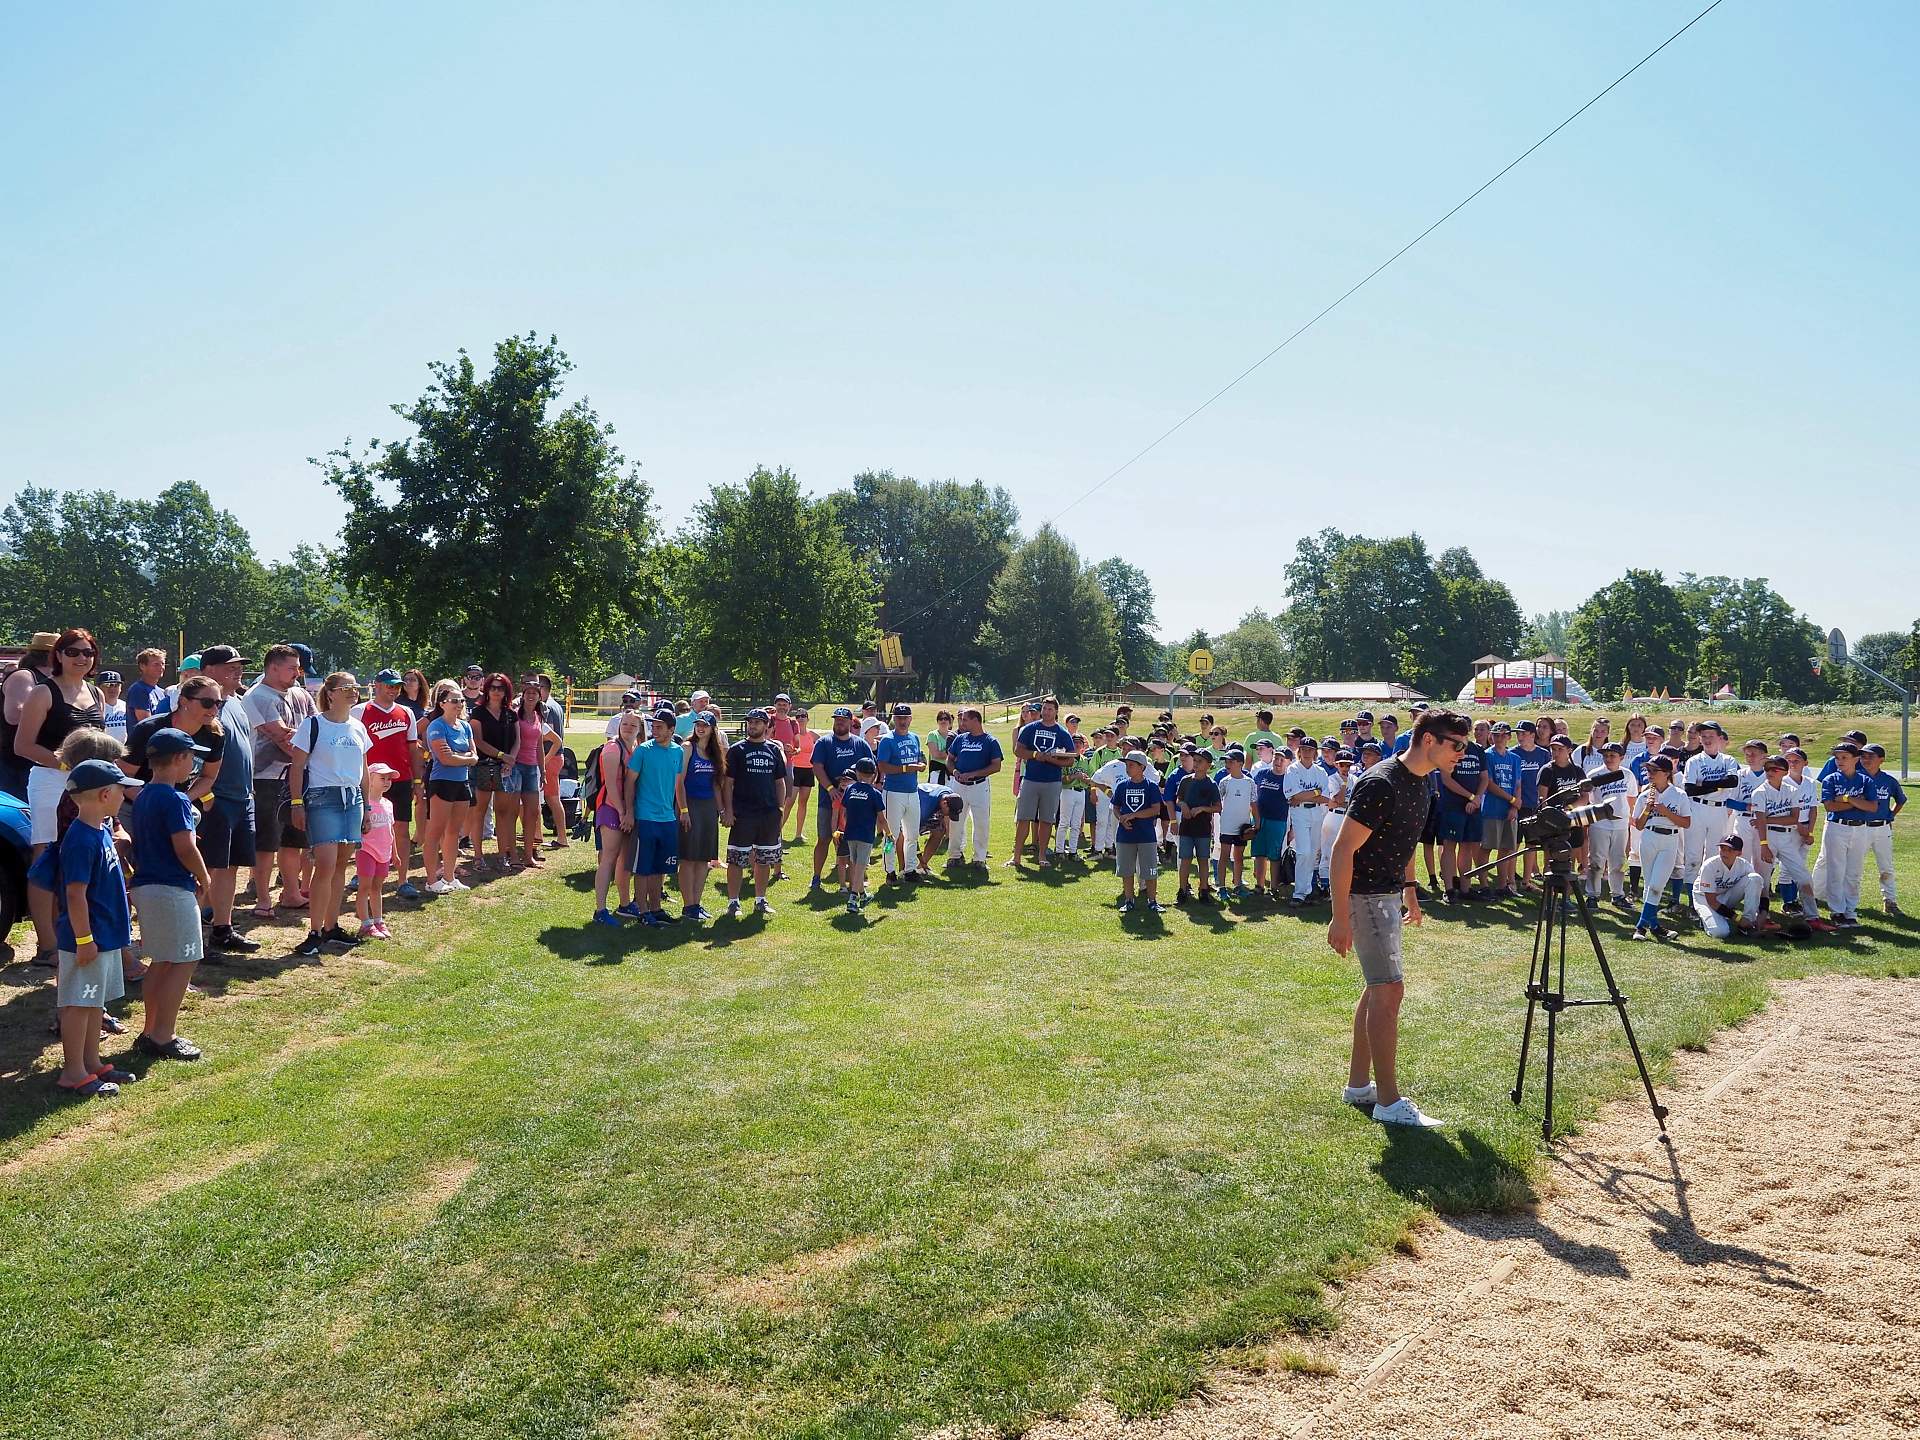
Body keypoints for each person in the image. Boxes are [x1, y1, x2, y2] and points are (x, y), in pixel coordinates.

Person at [1327, 708, 1466, 1127]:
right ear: (1429, 740)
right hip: (1366, 897)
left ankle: (1359, 1086)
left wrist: (1410, 891)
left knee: (1377, 990)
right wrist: (1339, 917)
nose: (1461, 754)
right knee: (1389, 992)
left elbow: (1403, 842)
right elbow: (1342, 850)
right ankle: (1389, 1102)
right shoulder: (1382, 783)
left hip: (1387, 896)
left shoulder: (1423, 783)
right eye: (1456, 745)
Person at [39, 759, 142, 1096]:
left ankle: (91, 1063)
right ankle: (73, 1072)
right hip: (86, 940)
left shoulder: (100, 831)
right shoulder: (81, 839)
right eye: (121, 790)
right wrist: (84, 939)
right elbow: (74, 894)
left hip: (103, 937)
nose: (124, 796)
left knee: (94, 1003)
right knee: (78, 1004)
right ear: (104, 794)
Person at [13, 628, 104, 964]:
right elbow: (23, 745)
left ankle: (76, 934)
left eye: (88, 652)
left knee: (85, 855)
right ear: (59, 655)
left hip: (89, 784)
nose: (81, 658)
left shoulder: (96, 693)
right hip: (50, 781)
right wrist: (66, 763)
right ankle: (47, 945)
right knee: (46, 858)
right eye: (73, 651)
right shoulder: (43, 692)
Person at [127, 728, 212, 1060]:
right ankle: (164, 1035)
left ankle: (150, 1031)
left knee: (161, 961)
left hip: (146, 886)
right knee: (185, 959)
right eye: (192, 757)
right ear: (179, 758)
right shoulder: (176, 799)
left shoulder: (143, 796)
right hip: (171, 888)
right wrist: (204, 876)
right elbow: (185, 846)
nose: (194, 764)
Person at [287, 671, 371, 958]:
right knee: (324, 864)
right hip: (322, 798)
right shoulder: (313, 724)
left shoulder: (358, 727)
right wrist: (296, 803)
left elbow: (364, 771)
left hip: (352, 798)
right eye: (346, 687)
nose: (353, 691)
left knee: (340, 866)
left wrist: (367, 807)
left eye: (355, 687)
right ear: (331, 693)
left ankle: (331, 926)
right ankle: (314, 931)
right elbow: (297, 767)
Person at [193, 645, 260, 955]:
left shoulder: (235, 702)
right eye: (230, 666)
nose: (238, 671)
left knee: (230, 866)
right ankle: (192, 938)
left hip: (241, 797)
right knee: (206, 869)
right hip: (214, 798)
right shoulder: (202, 706)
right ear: (209, 670)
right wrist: (204, 794)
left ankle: (222, 928)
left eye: (239, 666)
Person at [244, 644, 315, 917]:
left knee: (294, 839)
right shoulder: (257, 696)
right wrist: (304, 740)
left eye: (298, 667)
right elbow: (281, 737)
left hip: (298, 775)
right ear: (273, 668)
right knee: (267, 841)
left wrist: (301, 739)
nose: (298, 673)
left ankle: (291, 894)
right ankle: (263, 899)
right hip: (266, 777)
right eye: (292, 668)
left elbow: (315, 728)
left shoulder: (300, 694)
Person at [351, 669, 421, 900]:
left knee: (400, 828)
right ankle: (361, 873)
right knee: (365, 828)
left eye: (397, 686)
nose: (393, 690)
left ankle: (403, 879)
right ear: (378, 685)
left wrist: (417, 780)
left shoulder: (406, 712)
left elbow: (413, 748)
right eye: (389, 685)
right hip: (369, 781)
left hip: (399, 779)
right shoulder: (360, 711)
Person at [722, 707, 787, 918]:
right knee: (736, 859)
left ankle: (760, 900)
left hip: (768, 814)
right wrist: (728, 811)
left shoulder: (774, 750)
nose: (752, 725)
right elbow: (727, 783)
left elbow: (780, 782)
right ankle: (733, 902)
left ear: (767, 725)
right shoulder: (737, 750)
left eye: (757, 722)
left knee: (764, 858)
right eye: (750, 722)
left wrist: (780, 809)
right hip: (743, 814)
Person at [1750, 753, 1823, 933]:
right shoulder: (1759, 792)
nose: (1769, 772)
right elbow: (1761, 822)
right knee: (1762, 880)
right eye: (1767, 768)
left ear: (1784, 771)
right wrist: (1764, 845)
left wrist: (1765, 820)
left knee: (1804, 877)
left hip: (1787, 838)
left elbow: (1793, 819)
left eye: (1774, 769)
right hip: (1766, 838)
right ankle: (1761, 916)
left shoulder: (1791, 790)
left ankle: (1812, 917)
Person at [628, 707, 687, 926]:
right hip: (645, 817)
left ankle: (656, 908)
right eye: (653, 726)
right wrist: (629, 811)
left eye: (659, 727)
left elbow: (678, 784)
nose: (654, 730)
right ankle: (643, 911)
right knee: (643, 868)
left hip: (668, 819)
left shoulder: (678, 751)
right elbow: (629, 782)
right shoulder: (643, 750)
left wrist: (684, 811)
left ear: (671, 730)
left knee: (661, 867)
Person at [1627, 755, 1693, 939]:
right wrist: (1647, 808)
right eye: (1648, 770)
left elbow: (1686, 823)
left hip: (1669, 840)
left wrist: (1666, 811)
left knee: (1657, 885)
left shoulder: (1679, 794)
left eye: (1654, 770)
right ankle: (1655, 926)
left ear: (1666, 773)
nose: (1649, 774)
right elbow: (1639, 825)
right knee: (1650, 885)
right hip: (1649, 838)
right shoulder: (1644, 794)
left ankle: (1641, 926)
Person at [808, 708, 875, 887]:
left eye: (843, 720)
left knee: (855, 841)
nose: (839, 722)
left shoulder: (860, 744)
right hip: (828, 801)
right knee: (824, 838)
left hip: (856, 806)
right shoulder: (824, 742)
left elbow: (872, 769)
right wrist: (830, 788)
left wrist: (866, 790)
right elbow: (817, 767)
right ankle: (816, 877)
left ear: (850, 722)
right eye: (837, 719)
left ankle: (857, 878)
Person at [422, 680, 477, 895]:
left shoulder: (465, 726)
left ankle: (449, 877)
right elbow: (445, 759)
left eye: (461, 700)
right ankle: (431, 880)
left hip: (462, 783)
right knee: (435, 832)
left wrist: (461, 757)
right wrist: (465, 758)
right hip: (441, 783)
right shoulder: (436, 726)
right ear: (442, 703)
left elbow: (475, 756)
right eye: (454, 700)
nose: (459, 704)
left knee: (454, 832)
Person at [589, 711, 641, 926]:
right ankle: (600, 910)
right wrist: (622, 812)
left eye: (633, 725)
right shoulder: (612, 748)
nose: (628, 728)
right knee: (608, 858)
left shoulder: (636, 747)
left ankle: (624, 903)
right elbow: (610, 785)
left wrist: (629, 812)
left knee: (625, 859)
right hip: (611, 807)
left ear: (639, 728)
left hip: (628, 810)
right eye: (625, 723)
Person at [1010, 697, 1074, 868]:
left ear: (1056, 711)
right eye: (1044, 709)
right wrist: (1034, 755)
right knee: (1023, 818)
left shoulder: (1062, 733)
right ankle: (1016, 857)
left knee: (1046, 821)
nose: (1046, 712)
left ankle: (1042, 856)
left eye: (1050, 709)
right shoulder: (1030, 728)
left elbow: (1071, 759)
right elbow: (1018, 750)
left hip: (1052, 782)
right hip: (1030, 780)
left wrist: (1052, 760)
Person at [1680, 721, 1741, 898]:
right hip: (1698, 808)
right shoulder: (1694, 761)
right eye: (1703, 736)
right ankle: (1692, 898)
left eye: (1711, 736)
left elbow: (1733, 781)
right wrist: (1719, 785)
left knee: (1714, 854)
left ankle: (1708, 894)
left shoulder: (1728, 760)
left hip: (1719, 810)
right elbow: (1690, 790)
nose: (1707, 739)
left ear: (1720, 738)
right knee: (1693, 855)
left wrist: (1705, 784)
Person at [1818, 741, 1875, 928]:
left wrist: (1846, 798)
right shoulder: (1831, 779)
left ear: (1856, 759)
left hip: (1860, 829)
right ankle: (1837, 911)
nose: (1839, 761)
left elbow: (1872, 807)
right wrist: (1858, 802)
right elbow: (1830, 806)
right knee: (1836, 871)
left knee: (1854, 872)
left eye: (1844, 757)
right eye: (1837, 757)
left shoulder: (1865, 780)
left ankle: (1850, 911)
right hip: (1837, 827)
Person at [676, 710, 724, 920]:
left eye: (705, 725)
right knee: (688, 858)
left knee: (703, 858)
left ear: (713, 728)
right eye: (698, 724)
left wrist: (721, 810)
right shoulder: (688, 748)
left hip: (708, 809)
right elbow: (679, 782)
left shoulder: (715, 753)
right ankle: (688, 905)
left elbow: (716, 785)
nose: (701, 728)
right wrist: (683, 810)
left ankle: (696, 903)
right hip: (690, 805)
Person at [467, 674, 517, 869]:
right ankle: (478, 856)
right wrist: (502, 755)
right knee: (479, 811)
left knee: (503, 812)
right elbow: (478, 741)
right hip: (484, 766)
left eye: (501, 688)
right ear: (486, 689)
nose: (496, 691)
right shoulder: (478, 713)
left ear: (506, 691)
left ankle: (502, 855)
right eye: (493, 687)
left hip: (505, 768)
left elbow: (517, 740)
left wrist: (510, 760)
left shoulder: (510, 713)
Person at [504, 678, 554, 868]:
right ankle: (512, 855)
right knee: (512, 811)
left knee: (532, 812)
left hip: (532, 768)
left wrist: (542, 770)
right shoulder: (515, 715)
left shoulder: (539, 716)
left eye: (535, 692)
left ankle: (528, 854)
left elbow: (539, 746)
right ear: (523, 695)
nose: (531, 695)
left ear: (540, 696)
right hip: (516, 767)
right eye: (528, 692)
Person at [874, 703, 927, 882]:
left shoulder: (915, 737)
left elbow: (920, 756)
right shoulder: (888, 740)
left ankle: (910, 869)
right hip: (893, 792)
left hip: (912, 791)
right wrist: (905, 768)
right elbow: (882, 766)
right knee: (892, 835)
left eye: (905, 718)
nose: (902, 721)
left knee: (912, 834)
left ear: (910, 719)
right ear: (894, 719)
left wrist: (922, 764)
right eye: (899, 718)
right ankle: (890, 870)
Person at [1109, 751, 1166, 915]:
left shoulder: (1151, 786)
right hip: (1125, 835)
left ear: (1142, 767)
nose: (1128, 768)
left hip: (1146, 835)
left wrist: (1133, 815)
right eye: (1126, 765)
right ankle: (1129, 900)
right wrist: (1121, 819)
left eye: (1131, 765)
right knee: (1126, 870)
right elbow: (1116, 807)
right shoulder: (1122, 786)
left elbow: (1155, 810)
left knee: (1150, 870)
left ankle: (1152, 901)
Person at [943, 708, 1001, 868]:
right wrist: (955, 771)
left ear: (976, 720)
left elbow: (996, 766)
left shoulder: (990, 741)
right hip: (959, 785)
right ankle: (955, 856)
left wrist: (974, 774)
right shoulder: (960, 739)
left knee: (981, 822)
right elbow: (949, 759)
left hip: (979, 786)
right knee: (956, 821)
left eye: (965, 720)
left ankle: (979, 859)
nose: (962, 723)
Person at [1583, 742, 1635, 910]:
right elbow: (1587, 798)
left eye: (1612, 755)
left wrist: (1629, 816)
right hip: (1600, 823)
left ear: (1622, 757)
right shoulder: (1594, 774)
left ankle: (1617, 894)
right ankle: (1592, 895)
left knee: (1618, 862)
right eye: (1605, 756)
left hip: (1620, 823)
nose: (1608, 759)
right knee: (1596, 861)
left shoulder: (1627, 774)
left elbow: (1631, 797)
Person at [1858, 744, 1905, 916]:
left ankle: (1890, 901)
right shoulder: (1856, 778)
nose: (1866, 760)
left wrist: (1891, 814)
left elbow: (1901, 799)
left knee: (1886, 867)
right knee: (1854, 867)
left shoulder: (1888, 780)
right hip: (1860, 827)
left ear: (1881, 760)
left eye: (1870, 756)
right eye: (1863, 756)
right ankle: (1849, 901)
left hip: (1882, 828)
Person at [354, 763, 398, 939]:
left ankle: (378, 920)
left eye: (389, 779)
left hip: (384, 852)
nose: (387, 782)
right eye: (382, 778)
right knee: (364, 887)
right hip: (367, 850)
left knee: (377, 887)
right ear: (369, 780)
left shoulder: (388, 804)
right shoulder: (364, 805)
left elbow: (391, 829)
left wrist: (395, 852)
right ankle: (366, 923)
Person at [835, 760, 885, 913]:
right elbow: (881, 819)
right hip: (865, 835)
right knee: (860, 868)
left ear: (857, 773)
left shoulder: (850, 789)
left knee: (855, 863)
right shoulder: (875, 794)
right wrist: (889, 834)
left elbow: (843, 812)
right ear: (874, 774)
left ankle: (863, 895)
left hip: (850, 833)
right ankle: (852, 899)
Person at [1282, 737, 1327, 906]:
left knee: (1313, 853)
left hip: (1316, 812)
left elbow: (1325, 797)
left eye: (1310, 749)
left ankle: (1307, 890)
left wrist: (1305, 795)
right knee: (1303, 852)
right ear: (1299, 751)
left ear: (1315, 752)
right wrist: (1315, 791)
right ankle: (1299, 893)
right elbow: (1294, 796)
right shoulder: (1293, 769)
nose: (1307, 752)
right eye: (1304, 749)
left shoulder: (1320, 771)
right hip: (1299, 812)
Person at [1173, 745, 1220, 904]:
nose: (1196, 763)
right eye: (1195, 760)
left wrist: (1202, 809)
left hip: (1203, 827)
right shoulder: (1186, 781)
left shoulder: (1211, 784)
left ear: (1208, 765)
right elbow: (1178, 799)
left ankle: (1204, 890)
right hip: (1186, 826)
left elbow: (1218, 807)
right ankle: (1182, 890)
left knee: (1203, 859)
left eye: (1200, 761)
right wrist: (1183, 805)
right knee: (1185, 859)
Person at [1694, 834, 1763, 939]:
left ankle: (1747, 924)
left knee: (1755, 878)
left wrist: (1763, 913)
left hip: (1725, 895)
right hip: (1704, 899)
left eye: (1730, 850)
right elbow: (1711, 901)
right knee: (1720, 933)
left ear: (1739, 853)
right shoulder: (1710, 865)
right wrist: (1737, 918)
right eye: (1722, 848)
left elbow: (1760, 889)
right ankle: (1705, 918)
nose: (1725, 852)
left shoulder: (1744, 865)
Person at [1481, 723, 1522, 896]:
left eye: (1503, 735)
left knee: (1506, 848)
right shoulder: (1487, 755)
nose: (1499, 738)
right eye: (1496, 734)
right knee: (1487, 847)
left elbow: (1518, 783)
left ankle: (1502, 885)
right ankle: (1484, 885)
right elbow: (1489, 784)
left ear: (1509, 737)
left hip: (1509, 810)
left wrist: (1514, 805)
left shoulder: (1515, 758)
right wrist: (1511, 799)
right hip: (1492, 807)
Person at [1249, 741, 1290, 900]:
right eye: (1276, 758)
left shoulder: (1289, 779)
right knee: (1259, 853)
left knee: (1274, 855)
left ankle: (1274, 886)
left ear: (1287, 762)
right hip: (1260, 818)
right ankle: (1259, 885)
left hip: (1278, 820)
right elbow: (1253, 794)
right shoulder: (1262, 774)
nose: (1278, 762)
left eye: (1282, 759)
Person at [1214, 746, 1257, 899]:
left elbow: (1253, 804)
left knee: (1239, 856)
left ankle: (1238, 885)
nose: (1227, 764)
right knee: (1224, 855)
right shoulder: (1224, 782)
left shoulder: (1250, 782)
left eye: (1230, 761)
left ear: (1240, 763)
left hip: (1242, 825)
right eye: (1226, 761)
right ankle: (1221, 887)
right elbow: (1217, 803)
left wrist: (1257, 822)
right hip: (1227, 825)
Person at [125, 648, 167, 724]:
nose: (161, 667)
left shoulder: (161, 692)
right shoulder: (138, 690)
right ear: (142, 666)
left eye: (162, 664)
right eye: (156, 664)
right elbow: (146, 723)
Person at [95, 671, 127, 744]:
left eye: (116, 685)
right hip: (103, 748)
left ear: (120, 688)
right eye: (108, 685)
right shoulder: (94, 708)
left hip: (124, 748)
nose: (112, 688)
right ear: (99, 688)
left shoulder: (126, 706)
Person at [926, 710, 953, 785]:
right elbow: (936, 755)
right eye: (941, 719)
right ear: (937, 721)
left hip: (951, 773)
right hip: (936, 772)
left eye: (946, 718)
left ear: (949, 721)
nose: (943, 721)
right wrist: (952, 755)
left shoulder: (953, 736)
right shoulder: (932, 735)